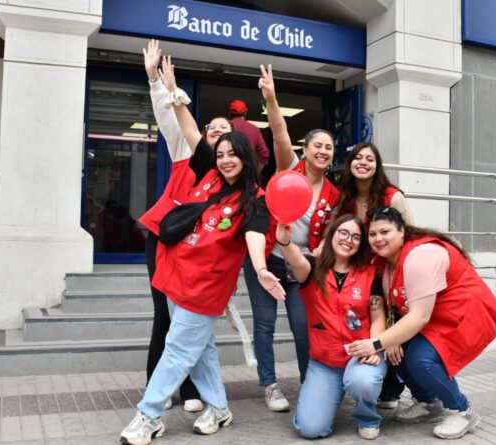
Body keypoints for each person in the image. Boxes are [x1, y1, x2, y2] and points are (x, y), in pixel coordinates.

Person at [120, 51, 285, 445]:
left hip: (205, 288)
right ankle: (220, 408)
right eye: (222, 153)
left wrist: (261, 268)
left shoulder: (255, 199)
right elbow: (189, 128)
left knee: (178, 350)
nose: (225, 159)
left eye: (233, 154)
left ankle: (149, 415)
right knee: (203, 350)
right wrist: (172, 90)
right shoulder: (209, 171)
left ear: (246, 157)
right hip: (175, 275)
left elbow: (254, 237)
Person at [346, 207, 496, 440]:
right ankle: (429, 403)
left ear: (402, 231)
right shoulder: (383, 262)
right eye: (372, 234)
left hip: (462, 315)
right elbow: (394, 306)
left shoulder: (421, 256)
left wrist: (376, 343)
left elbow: (419, 316)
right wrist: (390, 340)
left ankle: (462, 410)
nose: (378, 239)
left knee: (420, 359)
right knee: (396, 352)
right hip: (431, 318)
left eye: (385, 231)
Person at [137, 40, 235, 414]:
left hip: (200, 251)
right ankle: (156, 388)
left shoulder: (231, 177)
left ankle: (193, 389)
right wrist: (155, 80)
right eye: (211, 127)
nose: (216, 131)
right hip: (164, 237)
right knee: (164, 315)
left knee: (190, 320)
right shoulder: (185, 148)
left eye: (224, 129)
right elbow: (169, 118)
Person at [241, 63, 339, 412]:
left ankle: (308, 382)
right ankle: (269, 385)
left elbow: (331, 232)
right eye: (317, 146)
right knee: (265, 325)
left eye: (328, 148)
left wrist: (320, 252)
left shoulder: (333, 192)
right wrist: (271, 100)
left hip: (301, 268)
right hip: (266, 260)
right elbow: (280, 135)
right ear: (307, 149)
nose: (323, 152)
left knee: (303, 326)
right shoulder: (288, 169)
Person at [276, 214, 387, 440]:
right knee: (310, 429)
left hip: (361, 354)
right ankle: (332, 393)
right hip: (325, 362)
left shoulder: (369, 273)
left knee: (362, 381)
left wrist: (374, 346)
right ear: (332, 235)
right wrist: (285, 242)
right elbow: (297, 260)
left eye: (356, 237)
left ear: (361, 243)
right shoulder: (313, 269)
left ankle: (367, 417)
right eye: (343, 233)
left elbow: (377, 317)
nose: (348, 239)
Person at [334, 141, 415, 408]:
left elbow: (409, 235)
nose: (363, 163)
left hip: (389, 271)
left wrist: (400, 271)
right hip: (361, 274)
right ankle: (381, 386)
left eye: (370, 159)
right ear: (350, 164)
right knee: (375, 326)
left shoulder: (393, 196)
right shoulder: (344, 196)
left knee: (396, 332)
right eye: (358, 158)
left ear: (377, 165)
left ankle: (398, 389)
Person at [229, 99, 269, 171]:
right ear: (245, 113)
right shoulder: (254, 129)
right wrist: (256, 172)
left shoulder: (224, 127)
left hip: (227, 171)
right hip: (248, 173)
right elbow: (264, 154)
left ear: (231, 113)